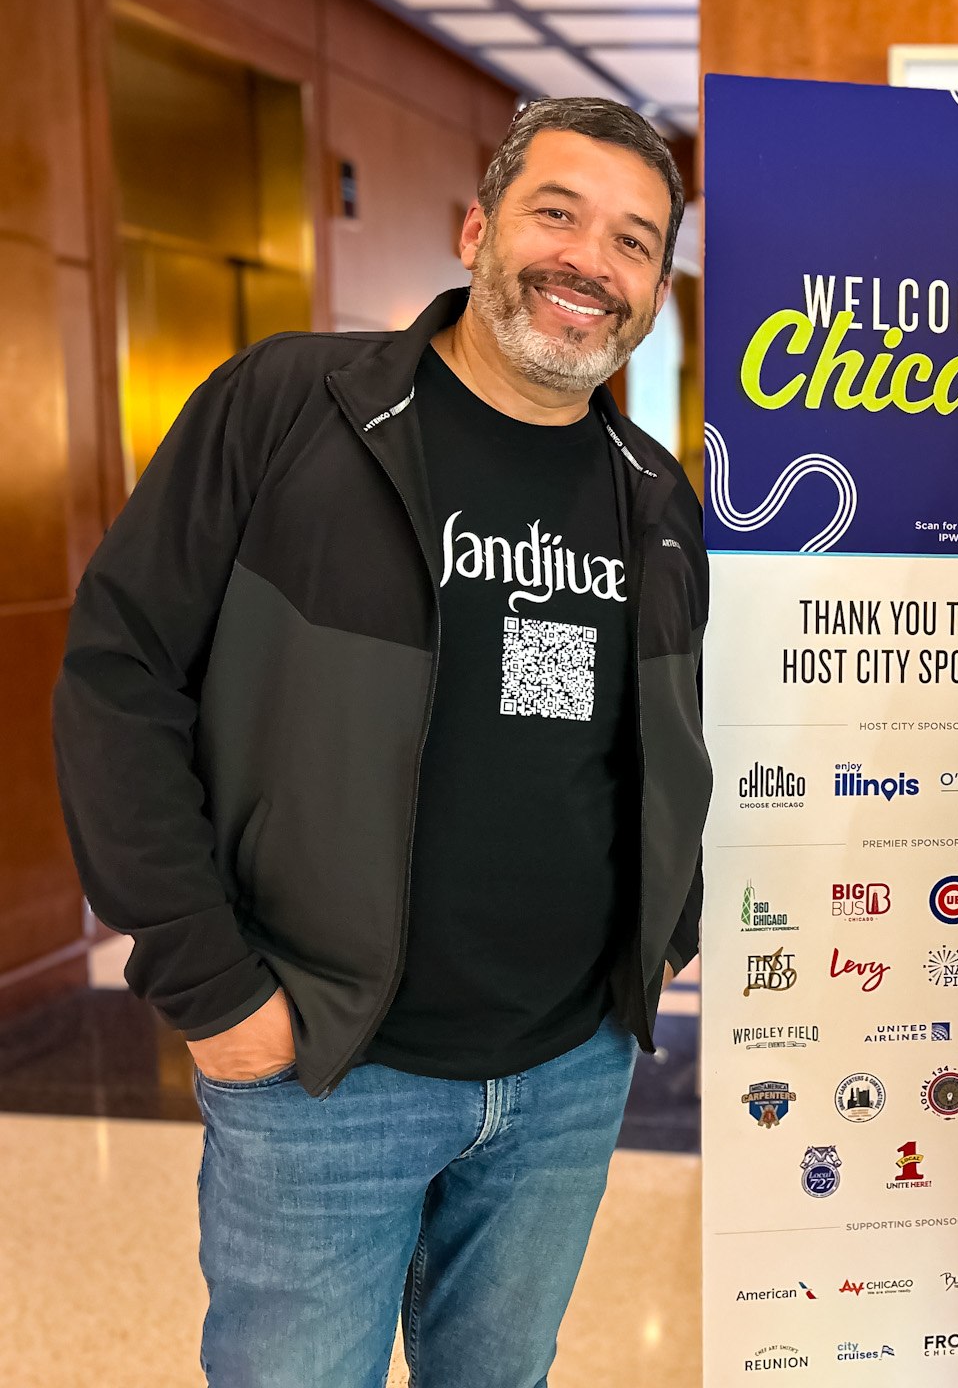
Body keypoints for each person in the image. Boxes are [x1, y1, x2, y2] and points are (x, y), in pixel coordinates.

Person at [52, 97, 712, 1387]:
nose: (591, 260)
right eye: (557, 213)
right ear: (477, 228)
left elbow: (654, 743)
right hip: (322, 1066)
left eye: (634, 242)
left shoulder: (653, 497)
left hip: (566, 1069)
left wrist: (657, 935)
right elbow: (118, 679)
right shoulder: (290, 410)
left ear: (653, 290)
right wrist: (213, 987)